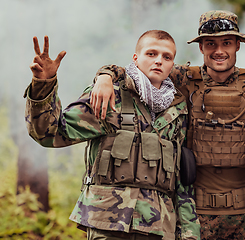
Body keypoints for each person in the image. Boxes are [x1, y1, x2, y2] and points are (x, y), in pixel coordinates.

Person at [90, 11, 245, 239]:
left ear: (237, 45)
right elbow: (142, 70)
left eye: (226, 42)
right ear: (201, 48)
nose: (219, 50)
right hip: (197, 212)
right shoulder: (183, 77)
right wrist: (106, 75)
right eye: (210, 44)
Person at [24, 30, 200, 240]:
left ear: (173, 64)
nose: (159, 61)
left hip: (159, 227)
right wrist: (44, 85)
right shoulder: (110, 96)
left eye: (166, 57)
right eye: (151, 54)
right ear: (136, 58)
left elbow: (181, 182)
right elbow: (50, 133)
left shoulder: (178, 109)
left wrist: (190, 233)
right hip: (109, 223)